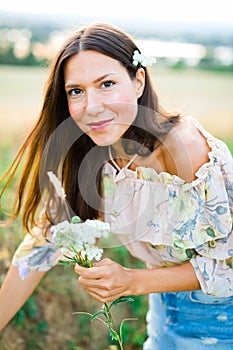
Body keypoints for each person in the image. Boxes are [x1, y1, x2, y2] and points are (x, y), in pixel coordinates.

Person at [0, 22, 233, 349]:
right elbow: (44, 240)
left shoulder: (185, 150)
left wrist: (133, 281)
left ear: (138, 82)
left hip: (225, 329)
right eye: (76, 91)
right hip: (164, 322)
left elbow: (228, 266)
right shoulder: (96, 151)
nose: (91, 107)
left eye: (106, 84)